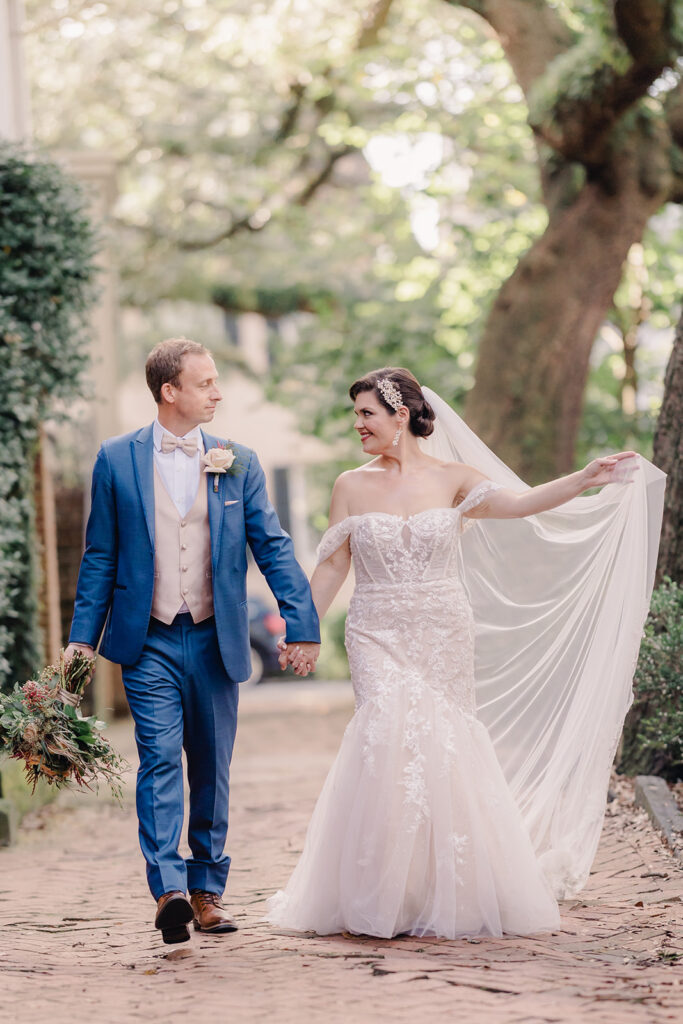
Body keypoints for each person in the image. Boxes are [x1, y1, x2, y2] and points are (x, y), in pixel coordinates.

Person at [267, 367, 665, 939]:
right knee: (386, 732)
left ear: (400, 415)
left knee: (442, 741)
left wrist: (586, 477)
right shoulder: (349, 484)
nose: (357, 425)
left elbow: (523, 503)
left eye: (365, 414)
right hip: (376, 628)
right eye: (356, 414)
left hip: (442, 628)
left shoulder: (454, 478)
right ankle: (382, 891)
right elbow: (334, 563)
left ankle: (443, 888)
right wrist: (303, 628)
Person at [65, 337, 320, 944]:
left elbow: (273, 547)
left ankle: (208, 891)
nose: (218, 392)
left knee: (211, 767)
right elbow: (100, 554)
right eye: (206, 383)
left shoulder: (239, 461)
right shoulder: (114, 459)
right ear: (169, 391)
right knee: (157, 760)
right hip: (146, 637)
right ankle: (170, 890)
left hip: (215, 637)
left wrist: (303, 626)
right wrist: (81, 641)